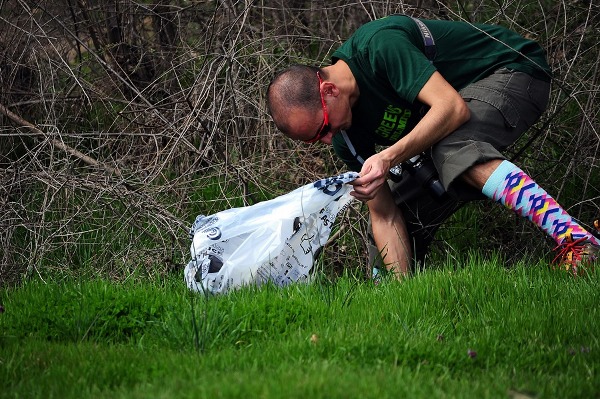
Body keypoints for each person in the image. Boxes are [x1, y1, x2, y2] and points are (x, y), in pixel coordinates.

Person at [266, 14, 599, 278]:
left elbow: (451, 109)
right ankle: (397, 303)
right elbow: (383, 214)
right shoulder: (346, 138)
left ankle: (578, 241)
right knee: (396, 209)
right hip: (456, 117)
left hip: (513, 70)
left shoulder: (378, 46)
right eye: (313, 139)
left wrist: (388, 157)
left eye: (322, 128)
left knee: (451, 148)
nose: (326, 139)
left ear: (328, 91)